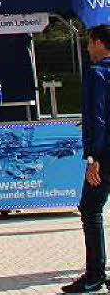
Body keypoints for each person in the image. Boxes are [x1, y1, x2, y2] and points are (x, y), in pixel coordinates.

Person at [63, 25, 110, 293]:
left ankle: (94, 275)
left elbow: (98, 117)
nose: (88, 49)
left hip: (105, 154)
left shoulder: (97, 74)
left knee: (90, 210)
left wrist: (93, 156)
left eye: (90, 43)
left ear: (99, 43)